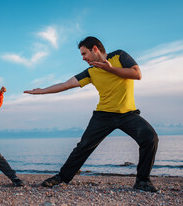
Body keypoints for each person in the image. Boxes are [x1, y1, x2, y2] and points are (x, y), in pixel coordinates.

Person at [24, 36, 159, 192]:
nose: (83, 58)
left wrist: (110, 69)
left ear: (95, 49)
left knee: (150, 138)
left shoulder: (119, 56)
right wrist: (41, 92)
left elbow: (137, 74)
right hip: (103, 115)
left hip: (128, 114)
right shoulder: (91, 71)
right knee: (84, 146)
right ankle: (61, 177)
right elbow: (66, 84)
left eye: (84, 53)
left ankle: (142, 181)